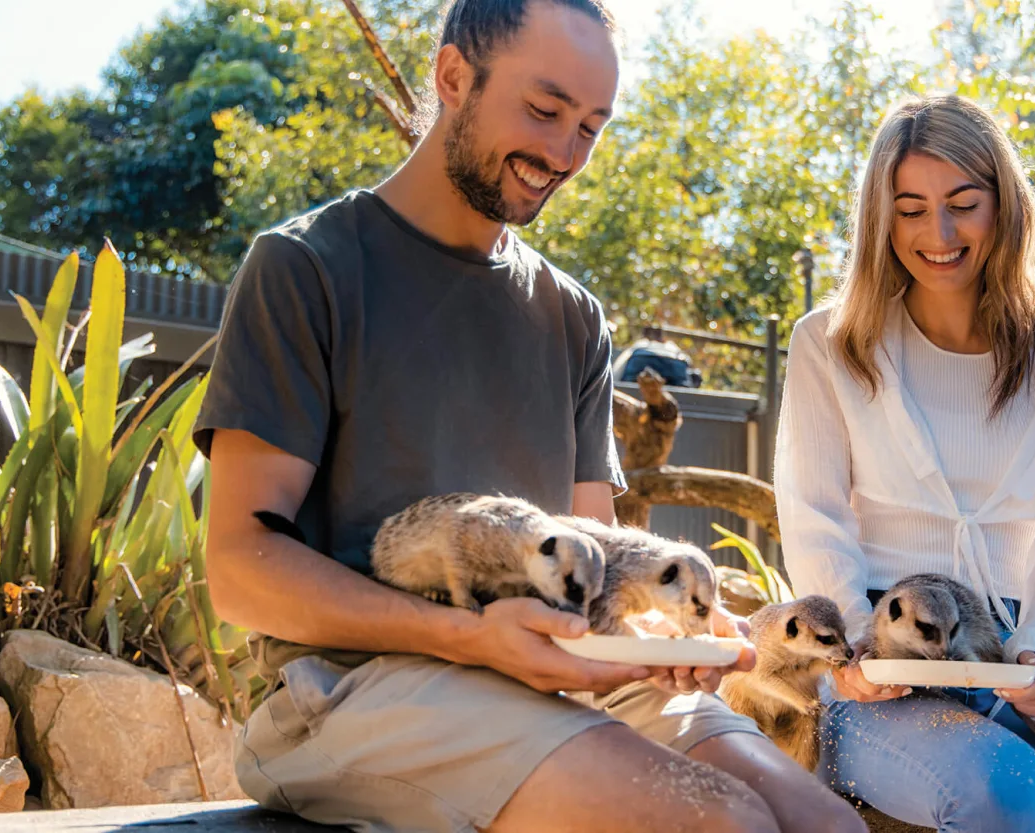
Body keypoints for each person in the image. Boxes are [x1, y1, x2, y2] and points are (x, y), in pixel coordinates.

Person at [195, 0, 866, 830]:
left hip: (551, 681)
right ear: (451, 77)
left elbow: (601, 573)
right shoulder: (305, 269)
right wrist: (474, 637)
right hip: (353, 687)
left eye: (590, 126)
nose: (563, 153)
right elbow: (239, 567)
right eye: (545, 110)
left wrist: (669, 640)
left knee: (825, 824)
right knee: (721, 822)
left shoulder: (574, 317)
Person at [773, 94, 1035, 832]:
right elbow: (812, 509)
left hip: (1011, 646)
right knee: (1004, 793)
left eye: (963, 204)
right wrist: (849, 652)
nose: (936, 233)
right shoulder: (829, 341)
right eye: (908, 208)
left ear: (1004, 204)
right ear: (881, 218)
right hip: (878, 654)